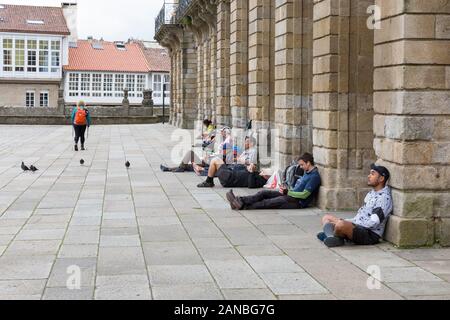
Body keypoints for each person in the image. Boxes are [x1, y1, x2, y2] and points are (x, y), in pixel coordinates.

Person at [317, 164, 393, 248]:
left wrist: (351, 223)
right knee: (326, 217)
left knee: (340, 225)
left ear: (381, 178)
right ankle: (334, 237)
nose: (369, 176)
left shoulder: (383, 198)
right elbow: (361, 216)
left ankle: (333, 235)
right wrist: (350, 222)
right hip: (358, 226)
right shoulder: (372, 193)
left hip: (369, 234)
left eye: (372, 174)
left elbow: (373, 223)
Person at [226, 153, 321, 210]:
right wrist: (287, 189)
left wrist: (289, 192)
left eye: (302, 165)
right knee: (263, 193)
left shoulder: (314, 176)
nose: (300, 167)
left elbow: (304, 195)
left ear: (308, 163)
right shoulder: (307, 172)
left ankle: (242, 205)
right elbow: (297, 187)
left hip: (297, 202)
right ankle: (240, 200)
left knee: (269, 202)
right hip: (290, 195)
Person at [160, 126, 233, 173]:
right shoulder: (223, 141)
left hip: (207, 163)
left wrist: (209, 157)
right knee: (186, 166)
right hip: (207, 161)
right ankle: (168, 169)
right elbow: (218, 153)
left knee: (190, 153)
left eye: (222, 132)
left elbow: (221, 156)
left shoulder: (228, 142)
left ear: (226, 132)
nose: (221, 133)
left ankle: (177, 169)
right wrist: (210, 155)